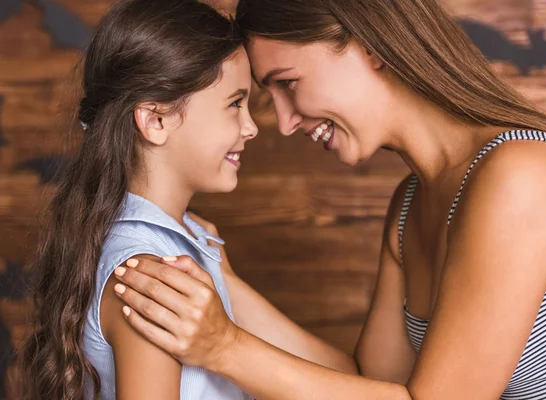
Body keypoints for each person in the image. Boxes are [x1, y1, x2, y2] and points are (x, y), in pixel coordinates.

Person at [112, 0, 546, 399]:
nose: (283, 123)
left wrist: (225, 349)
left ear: (371, 48)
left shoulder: (520, 178)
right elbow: (371, 384)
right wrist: (220, 275)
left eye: (288, 83)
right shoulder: (410, 205)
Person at [18, 1, 356, 399]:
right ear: (155, 120)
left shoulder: (187, 244)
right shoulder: (152, 281)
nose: (251, 128)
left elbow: (343, 377)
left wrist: (221, 274)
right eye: (234, 103)